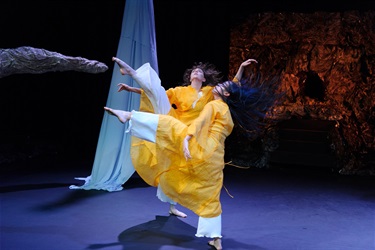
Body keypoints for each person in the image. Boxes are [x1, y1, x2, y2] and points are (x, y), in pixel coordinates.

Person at [103, 72, 280, 250]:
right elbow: (230, 93)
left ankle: (130, 116)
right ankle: (216, 239)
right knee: (210, 198)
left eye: (222, 86)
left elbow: (201, 122)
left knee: (170, 125)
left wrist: (187, 139)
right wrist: (241, 69)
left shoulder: (215, 105)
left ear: (226, 94)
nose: (217, 86)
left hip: (201, 147)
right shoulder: (227, 112)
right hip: (215, 158)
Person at [111, 57, 257, 218]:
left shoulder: (210, 92)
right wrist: (131, 89)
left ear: (203, 79)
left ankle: (173, 207)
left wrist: (241, 67)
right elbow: (157, 94)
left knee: (178, 169)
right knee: (159, 94)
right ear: (190, 77)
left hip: (194, 134)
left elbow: (232, 87)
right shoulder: (180, 91)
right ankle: (132, 73)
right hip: (175, 125)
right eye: (194, 71)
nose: (196, 72)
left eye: (200, 72)